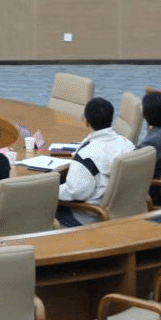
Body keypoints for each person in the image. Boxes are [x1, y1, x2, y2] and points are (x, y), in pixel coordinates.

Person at [57, 96, 135, 227]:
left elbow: (75, 192)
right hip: (122, 212)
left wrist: (48, 190)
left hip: (89, 218)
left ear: (86, 122)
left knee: (42, 206)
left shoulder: (86, 156)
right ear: (111, 119)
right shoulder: (128, 144)